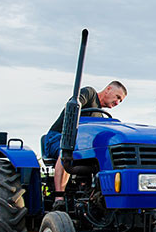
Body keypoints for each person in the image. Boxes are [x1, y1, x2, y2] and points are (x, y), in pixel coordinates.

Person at [44, 81, 127, 209]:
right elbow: (72, 107)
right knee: (69, 151)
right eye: (117, 97)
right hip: (59, 137)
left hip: (81, 145)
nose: (117, 103)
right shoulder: (89, 94)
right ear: (108, 89)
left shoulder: (101, 117)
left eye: (120, 101)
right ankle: (59, 197)